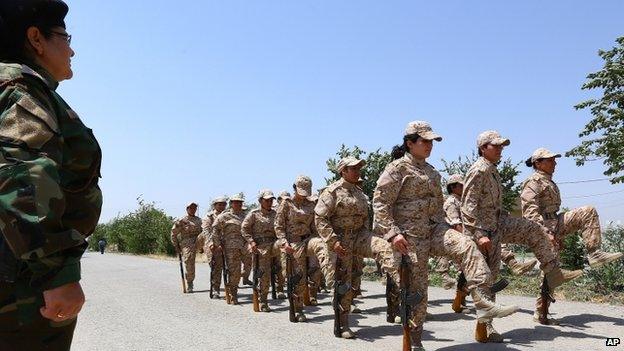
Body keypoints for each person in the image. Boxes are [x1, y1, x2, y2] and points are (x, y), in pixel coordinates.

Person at [0, 1, 102, 349]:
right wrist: (55, 272)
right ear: (36, 39)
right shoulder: (19, 87)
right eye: (64, 36)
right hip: (22, 286)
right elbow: (22, 173)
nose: (71, 48)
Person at [374, 122, 520, 349]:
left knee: (466, 245)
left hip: (435, 231)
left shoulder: (433, 172)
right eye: (425, 141)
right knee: (418, 294)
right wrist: (393, 234)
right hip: (409, 239)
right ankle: (415, 341)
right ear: (410, 143)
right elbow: (381, 204)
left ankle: (483, 302)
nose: (430, 145)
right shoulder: (396, 169)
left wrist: (448, 229)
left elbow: (438, 209)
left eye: (432, 142)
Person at [461, 131, 583, 342]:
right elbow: (467, 206)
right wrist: (478, 234)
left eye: (502, 146)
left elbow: (490, 205)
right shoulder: (478, 170)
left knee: (534, 228)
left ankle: (553, 272)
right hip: (484, 232)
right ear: (483, 148)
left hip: (498, 226)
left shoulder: (491, 170)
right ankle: (485, 326)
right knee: (486, 279)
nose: (500, 149)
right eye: (495, 146)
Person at [520, 147, 623, 324]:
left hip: (555, 223)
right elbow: (529, 212)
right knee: (551, 270)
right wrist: (546, 234)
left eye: (554, 159)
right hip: (542, 227)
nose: (555, 163)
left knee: (588, 211)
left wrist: (557, 234)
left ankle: (594, 253)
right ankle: (541, 312)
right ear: (538, 163)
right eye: (550, 160)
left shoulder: (548, 181)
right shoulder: (533, 182)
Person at [316, 157, 402, 340]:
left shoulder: (360, 193)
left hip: (360, 236)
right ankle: (343, 323)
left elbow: (366, 220)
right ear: (343, 171)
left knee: (387, 248)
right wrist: (333, 241)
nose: (357, 171)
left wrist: (372, 237)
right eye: (353, 168)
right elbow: (320, 219)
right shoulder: (331, 192)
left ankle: (401, 283)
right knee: (344, 283)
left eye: (358, 168)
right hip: (340, 241)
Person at [275, 176, 333, 322]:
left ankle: (331, 279)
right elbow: (279, 226)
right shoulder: (286, 204)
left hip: (308, 239)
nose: (303, 195)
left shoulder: (312, 204)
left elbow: (315, 225)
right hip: (292, 244)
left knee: (322, 246)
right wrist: (283, 243)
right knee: (298, 277)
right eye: (301, 191)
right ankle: (299, 309)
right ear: (294, 188)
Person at [241, 189, 284, 312]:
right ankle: (263, 301)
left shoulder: (276, 214)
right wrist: (251, 242)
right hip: (261, 247)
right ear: (260, 201)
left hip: (274, 244)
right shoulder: (254, 214)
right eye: (267, 200)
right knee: (264, 274)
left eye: (271, 200)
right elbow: (244, 229)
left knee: (283, 265)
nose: (269, 202)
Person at [212, 193, 246, 304]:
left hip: (245, 246)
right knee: (234, 271)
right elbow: (215, 230)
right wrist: (218, 244)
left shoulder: (245, 216)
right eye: (235, 202)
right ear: (231, 204)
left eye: (240, 202)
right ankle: (233, 292)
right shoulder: (224, 216)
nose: (238, 204)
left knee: (248, 268)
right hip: (230, 248)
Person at [199, 196, 228, 299]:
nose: (222, 206)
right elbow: (206, 232)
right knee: (216, 267)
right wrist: (211, 243)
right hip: (213, 245)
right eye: (219, 204)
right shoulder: (209, 217)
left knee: (230, 267)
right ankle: (216, 289)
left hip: (227, 243)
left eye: (224, 204)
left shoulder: (228, 215)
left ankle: (231, 288)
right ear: (214, 205)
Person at [170, 203, 202, 293]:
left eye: (195, 208)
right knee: (189, 260)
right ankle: (190, 282)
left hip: (198, 241)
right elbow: (173, 233)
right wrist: (176, 246)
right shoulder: (182, 220)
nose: (193, 209)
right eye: (191, 208)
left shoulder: (199, 220)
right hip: (187, 242)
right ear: (187, 209)